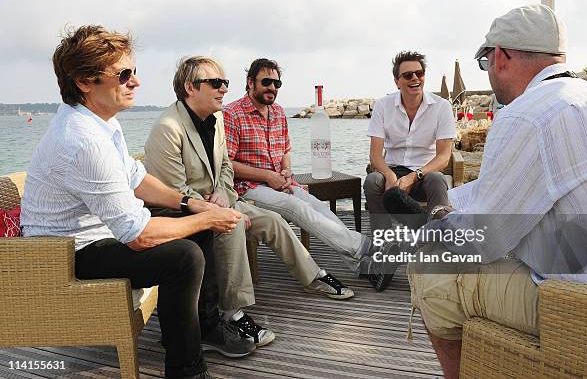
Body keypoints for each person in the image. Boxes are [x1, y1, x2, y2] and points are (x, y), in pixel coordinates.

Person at [19, 25, 245, 379]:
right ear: (84, 81)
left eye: (133, 72)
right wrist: (209, 218)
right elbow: (137, 235)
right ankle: (186, 369)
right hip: (63, 255)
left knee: (193, 231)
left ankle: (200, 329)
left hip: (93, 236)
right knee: (183, 257)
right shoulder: (84, 141)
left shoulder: (100, 123)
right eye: (124, 74)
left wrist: (191, 204)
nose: (135, 82)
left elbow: (136, 178)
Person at [408, 4, 587, 378]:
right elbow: (511, 189)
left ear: (500, 56)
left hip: (585, 306)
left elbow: (483, 241)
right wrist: (453, 203)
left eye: (484, 64)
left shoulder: (522, 115)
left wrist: (436, 223)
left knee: (430, 262)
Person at [144, 56, 354, 343]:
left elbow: (226, 169)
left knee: (274, 220)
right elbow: (173, 191)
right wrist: (216, 209)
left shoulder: (215, 119)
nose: (223, 90)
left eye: (225, 83)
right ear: (189, 87)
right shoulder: (169, 128)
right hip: (182, 212)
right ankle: (233, 313)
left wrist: (223, 195)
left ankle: (312, 277)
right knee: (231, 228)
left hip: (219, 199)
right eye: (215, 83)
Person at [223, 58, 376, 281]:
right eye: (266, 82)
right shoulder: (232, 114)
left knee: (318, 208)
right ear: (250, 82)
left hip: (281, 183)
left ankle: (361, 266)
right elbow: (227, 164)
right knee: (296, 206)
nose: (272, 88)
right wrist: (268, 176)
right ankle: (364, 247)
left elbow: (285, 150)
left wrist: (286, 172)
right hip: (248, 188)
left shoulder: (277, 112)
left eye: (277, 84)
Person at [363, 51, 456, 235]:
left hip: (426, 172)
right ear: (397, 81)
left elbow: (444, 157)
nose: (415, 78)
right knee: (373, 181)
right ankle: (384, 240)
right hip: (393, 171)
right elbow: (375, 154)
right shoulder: (382, 106)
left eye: (419, 73)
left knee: (437, 179)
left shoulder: (442, 106)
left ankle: (436, 236)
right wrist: (389, 176)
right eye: (407, 75)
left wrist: (413, 177)